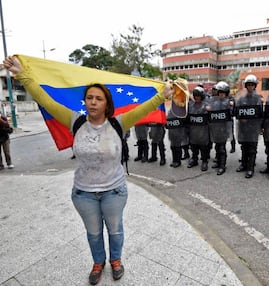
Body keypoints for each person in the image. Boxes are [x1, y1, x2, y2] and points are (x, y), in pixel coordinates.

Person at [3, 56, 173, 285]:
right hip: (84, 194)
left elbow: (145, 108)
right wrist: (22, 74)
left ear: (106, 104)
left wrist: (162, 95)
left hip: (114, 191)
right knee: (93, 234)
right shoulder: (75, 120)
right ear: (85, 102)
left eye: (99, 99)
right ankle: (98, 262)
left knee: (115, 230)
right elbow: (44, 98)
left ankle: (116, 260)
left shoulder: (118, 123)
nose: (93, 102)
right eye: (90, 98)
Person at [235, 74, 263, 178]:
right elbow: (237, 112)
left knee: (252, 148)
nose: (250, 87)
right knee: (244, 147)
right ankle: (243, 164)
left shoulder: (258, 99)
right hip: (243, 127)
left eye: (252, 85)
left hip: (253, 127)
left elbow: (261, 114)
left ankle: (250, 168)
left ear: (255, 86)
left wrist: (261, 127)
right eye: (249, 85)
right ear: (246, 86)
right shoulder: (241, 99)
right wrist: (240, 117)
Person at [206, 81, 233, 175]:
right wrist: (208, 109)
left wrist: (232, 106)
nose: (221, 94)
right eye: (220, 92)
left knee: (222, 148)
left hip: (224, 129)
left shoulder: (229, 103)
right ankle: (218, 162)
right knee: (217, 147)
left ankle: (222, 166)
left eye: (223, 93)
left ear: (226, 93)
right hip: (215, 128)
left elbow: (232, 113)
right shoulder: (214, 102)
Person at [186, 86, 210, 171]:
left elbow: (210, 109)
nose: (197, 98)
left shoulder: (206, 104)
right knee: (193, 146)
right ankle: (194, 159)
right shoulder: (191, 104)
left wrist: (207, 109)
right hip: (193, 130)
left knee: (203, 147)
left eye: (198, 96)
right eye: (195, 96)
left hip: (203, 130)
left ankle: (204, 161)